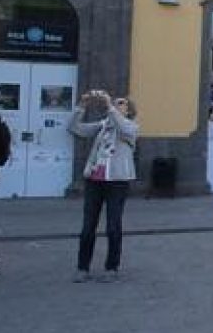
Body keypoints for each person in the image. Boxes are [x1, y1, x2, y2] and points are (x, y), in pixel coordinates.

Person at [68, 91, 138, 283]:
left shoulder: (130, 127)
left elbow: (123, 126)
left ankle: (112, 267)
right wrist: (81, 106)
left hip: (117, 182)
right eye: (115, 103)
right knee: (88, 226)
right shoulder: (102, 126)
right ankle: (83, 267)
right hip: (95, 181)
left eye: (121, 103)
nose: (116, 105)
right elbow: (75, 128)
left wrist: (108, 105)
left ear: (129, 111)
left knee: (113, 226)